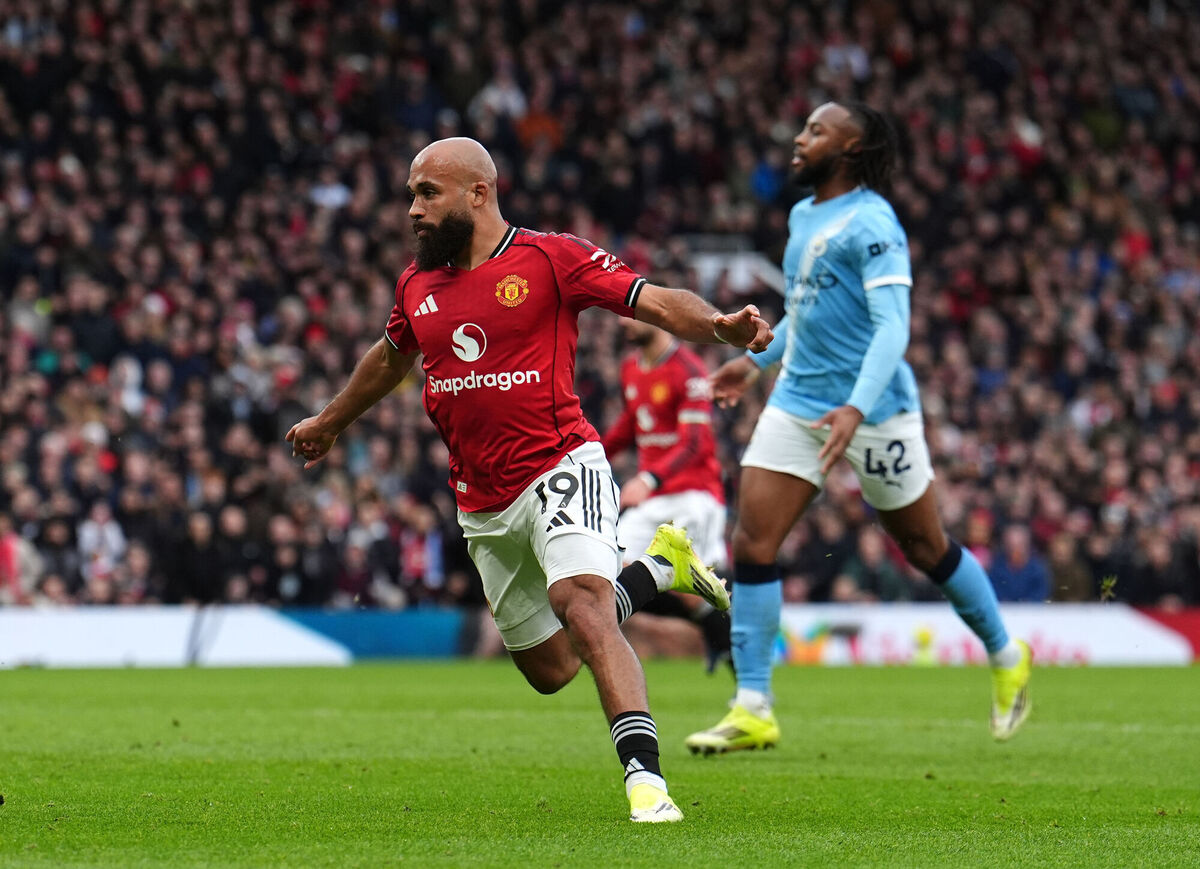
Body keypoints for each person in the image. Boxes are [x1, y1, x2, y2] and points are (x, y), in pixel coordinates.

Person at [287, 137, 773, 822]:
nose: (412, 210)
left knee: (582, 602)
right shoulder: (416, 285)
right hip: (482, 503)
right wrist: (332, 421)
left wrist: (718, 326)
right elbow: (390, 359)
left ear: (478, 193)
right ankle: (660, 567)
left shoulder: (550, 258)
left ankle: (647, 783)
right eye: (410, 196)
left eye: (427, 193)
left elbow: (653, 301)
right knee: (552, 668)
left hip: (561, 464)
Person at [685, 103, 1032, 756]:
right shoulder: (802, 215)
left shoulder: (874, 222)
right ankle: (753, 703)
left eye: (815, 130)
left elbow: (892, 325)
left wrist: (855, 406)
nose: (798, 136)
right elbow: (805, 310)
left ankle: (1007, 652)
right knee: (754, 541)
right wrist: (752, 364)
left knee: (926, 547)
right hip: (798, 401)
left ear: (851, 147)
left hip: (874, 409)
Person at [602, 319, 733, 672]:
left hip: (694, 494)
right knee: (611, 564)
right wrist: (588, 457)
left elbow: (693, 441)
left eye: (629, 314)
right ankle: (718, 630)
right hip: (653, 499)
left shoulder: (689, 370)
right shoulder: (631, 367)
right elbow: (630, 425)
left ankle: (745, 675)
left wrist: (649, 477)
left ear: (655, 318)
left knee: (701, 582)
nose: (622, 322)